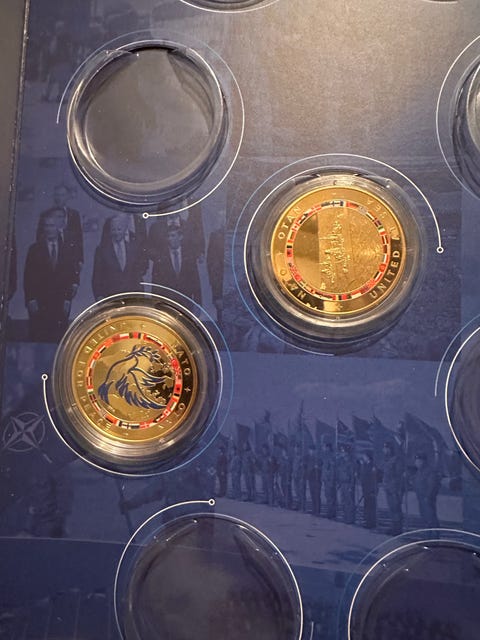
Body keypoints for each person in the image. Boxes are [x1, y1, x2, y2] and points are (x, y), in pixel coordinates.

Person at [24, 210, 79, 342]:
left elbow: (71, 276)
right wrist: (31, 299)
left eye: (52, 226)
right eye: (46, 226)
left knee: (58, 340)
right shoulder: (34, 249)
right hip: (40, 303)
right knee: (39, 338)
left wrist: (67, 300)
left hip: (60, 303)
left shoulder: (68, 249)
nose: (49, 229)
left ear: (58, 227)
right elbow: (28, 277)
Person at [92, 214, 146, 300]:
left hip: (131, 297)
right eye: (113, 229)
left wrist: (140, 296)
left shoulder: (133, 248)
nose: (116, 233)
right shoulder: (102, 250)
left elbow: (137, 275)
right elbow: (97, 276)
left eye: (119, 229)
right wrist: (99, 295)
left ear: (125, 230)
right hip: (110, 297)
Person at [37, 185, 83, 277]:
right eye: (57, 195)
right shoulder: (45, 214)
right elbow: (39, 237)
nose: (59, 198)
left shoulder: (74, 215)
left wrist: (80, 259)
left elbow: (78, 238)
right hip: (51, 256)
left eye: (62, 195)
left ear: (67, 196)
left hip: (69, 257)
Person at [149, 224, 202, 303]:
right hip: (168, 302)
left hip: (186, 301)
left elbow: (195, 281)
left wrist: (198, 303)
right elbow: (155, 284)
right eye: (168, 236)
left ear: (180, 237)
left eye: (173, 236)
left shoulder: (189, 256)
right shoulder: (160, 258)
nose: (170, 239)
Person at [382, 441, 404, 535]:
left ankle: (398, 529)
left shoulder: (396, 460)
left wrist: (396, 488)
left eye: (386, 448)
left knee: (396, 509)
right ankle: (393, 527)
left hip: (395, 488)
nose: (384, 450)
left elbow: (398, 475)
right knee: (391, 509)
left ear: (390, 449)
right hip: (388, 488)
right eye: (384, 448)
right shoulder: (387, 460)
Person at [413, 453, 441, 528]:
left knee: (430, 517)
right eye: (416, 461)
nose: (417, 463)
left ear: (424, 461)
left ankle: (434, 533)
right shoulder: (419, 472)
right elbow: (417, 483)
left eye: (419, 461)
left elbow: (432, 486)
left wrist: (428, 496)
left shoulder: (430, 472)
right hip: (420, 497)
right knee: (424, 516)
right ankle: (428, 533)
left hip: (427, 498)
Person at [358, 451, 378, 529]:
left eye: (364, 456)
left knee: (371, 507)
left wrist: (373, 490)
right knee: (367, 506)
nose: (363, 457)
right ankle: (367, 521)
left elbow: (374, 479)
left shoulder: (372, 466)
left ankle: (371, 523)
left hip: (371, 489)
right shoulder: (365, 465)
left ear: (368, 457)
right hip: (365, 489)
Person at [337, 445, 355, 524]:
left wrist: (351, 486)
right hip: (342, 483)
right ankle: (345, 517)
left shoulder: (350, 462)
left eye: (343, 452)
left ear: (347, 453)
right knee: (343, 501)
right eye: (341, 452)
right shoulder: (341, 462)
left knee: (349, 502)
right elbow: (339, 473)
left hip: (348, 484)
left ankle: (350, 518)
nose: (342, 453)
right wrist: (339, 483)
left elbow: (352, 476)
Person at [305, 445, 322, 515]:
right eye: (310, 450)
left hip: (317, 479)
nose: (311, 451)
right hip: (310, 478)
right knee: (312, 494)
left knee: (317, 495)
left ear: (315, 451)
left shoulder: (318, 458)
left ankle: (317, 510)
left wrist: (318, 467)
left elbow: (322, 467)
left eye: (312, 450)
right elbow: (307, 468)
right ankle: (314, 509)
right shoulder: (308, 458)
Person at [322, 442, 336, 519]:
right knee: (328, 496)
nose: (323, 448)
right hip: (326, 479)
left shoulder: (330, 456)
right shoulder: (326, 456)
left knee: (330, 497)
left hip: (329, 480)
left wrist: (331, 480)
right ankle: (330, 512)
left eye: (324, 446)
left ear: (328, 448)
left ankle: (331, 513)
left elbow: (332, 470)